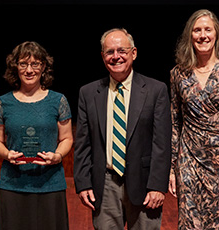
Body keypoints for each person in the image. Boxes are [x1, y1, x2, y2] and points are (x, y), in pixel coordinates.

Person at [73, 28, 171, 229]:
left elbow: (162, 143)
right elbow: (83, 143)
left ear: (133, 53)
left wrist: (157, 186)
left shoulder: (155, 90)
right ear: (102, 56)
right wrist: (83, 183)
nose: (115, 56)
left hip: (145, 186)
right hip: (105, 183)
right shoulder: (88, 93)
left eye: (121, 51)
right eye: (109, 52)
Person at [169, 9, 219, 229]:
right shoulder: (178, 74)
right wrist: (172, 169)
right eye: (197, 30)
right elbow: (175, 123)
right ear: (190, 36)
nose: (202, 35)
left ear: (216, 34)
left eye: (208, 30)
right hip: (190, 164)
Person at [0, 41, 73, 230]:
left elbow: (67, 138)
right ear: (15, 67)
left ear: (43, 67)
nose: (29, 70)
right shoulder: (3, 102)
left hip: (50, 183)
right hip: (13, 184)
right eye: (23, 64)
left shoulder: (58, 100)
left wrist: (57, 156)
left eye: (35, 64)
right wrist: (6, 154)